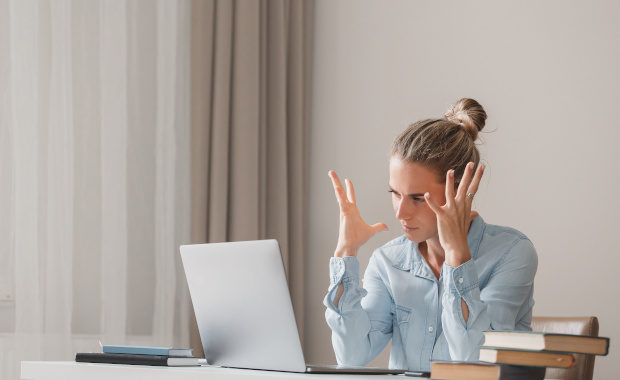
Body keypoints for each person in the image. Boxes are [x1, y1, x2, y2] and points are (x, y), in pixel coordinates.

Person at [323, 98, 538, 372]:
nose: (401, 212)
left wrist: (457, 257)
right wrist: (346, 252)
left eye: (417, 198)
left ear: (459, 192)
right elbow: (351, 357)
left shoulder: (512, 253)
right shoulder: (388, 261)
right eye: (395, 194)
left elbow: (472, 360)